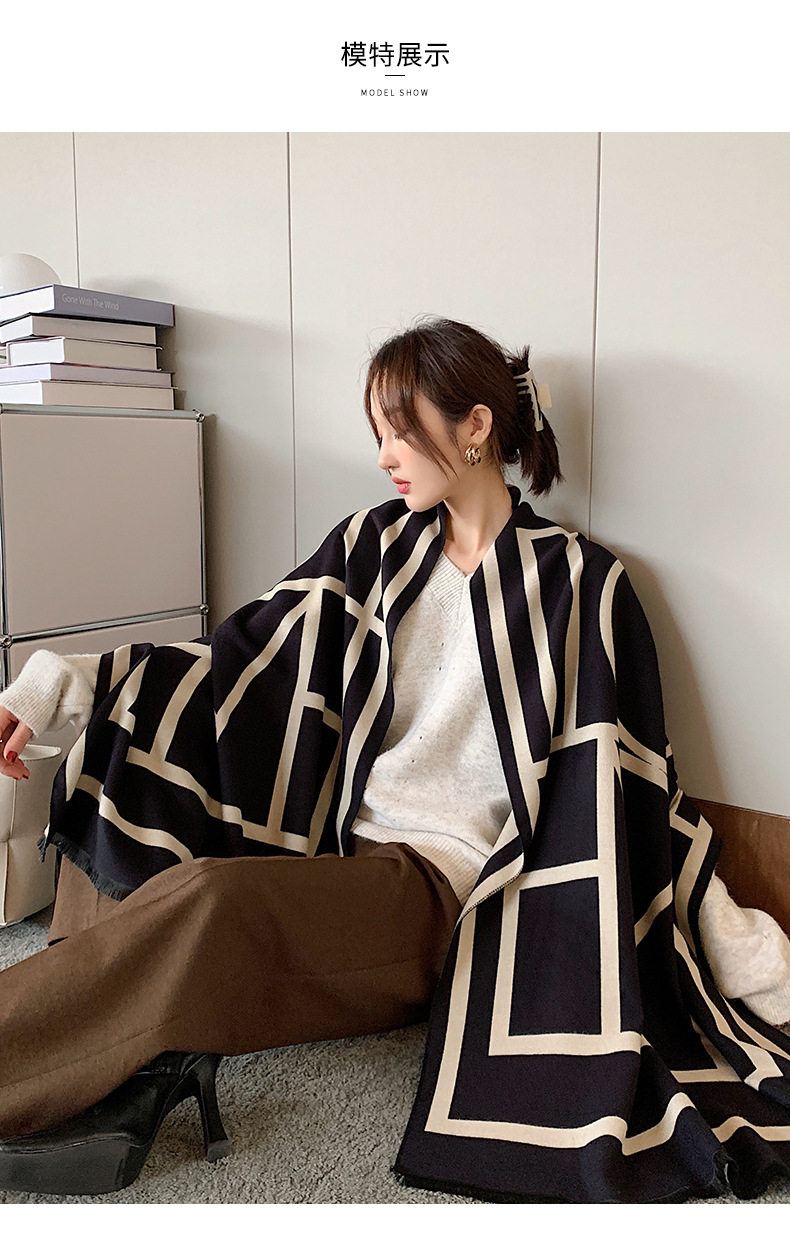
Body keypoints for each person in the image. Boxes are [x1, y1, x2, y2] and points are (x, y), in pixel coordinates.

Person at [1, 315, 790, 1204]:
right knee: (127, 744)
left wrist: (759, 965)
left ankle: (69, 1052)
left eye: (399, 430)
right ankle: (110, 1068)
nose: (383, 456)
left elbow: (637, 795)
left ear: (476, 426)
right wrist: (58, 681)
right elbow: (237, 662)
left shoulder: (576, 581)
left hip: (436, 891)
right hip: (336, 853)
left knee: (212, 899)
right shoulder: (375, 546)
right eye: (377, 432)